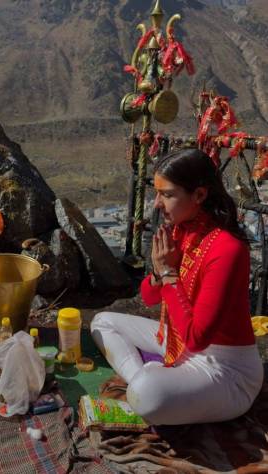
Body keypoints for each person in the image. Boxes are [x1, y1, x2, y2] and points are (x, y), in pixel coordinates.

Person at [91, 148, 262, 425]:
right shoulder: (181, 230)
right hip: (180, 341)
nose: (157, 203)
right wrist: (160, 272)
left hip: (226, 369)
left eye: (167, 194)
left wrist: (169, 273)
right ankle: (144, 382)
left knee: (148, 394)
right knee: (102, 323)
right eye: (157, 193)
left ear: (199, 195)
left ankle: (147, 385)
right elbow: (148, 296)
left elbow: (198, 338)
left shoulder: (228, 249)